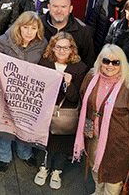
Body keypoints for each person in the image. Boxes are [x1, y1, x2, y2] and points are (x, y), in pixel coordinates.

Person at [73, 45, 129, 195]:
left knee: (114, 177)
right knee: (94, 166)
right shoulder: (91, 77)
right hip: (93, 135)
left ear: (122, 63)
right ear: (100, 61)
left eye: (116, 62)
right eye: (106, 61)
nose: (110, 65)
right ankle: (98, 191)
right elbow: (84, 99)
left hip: (119, 143)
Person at [0, 11, 47, 171]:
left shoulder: (43, 44)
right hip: (6, 90)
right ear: (19, 27)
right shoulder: (4, 41)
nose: (29, 32)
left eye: (34, 28)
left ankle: (25, 152)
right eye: (26, 27)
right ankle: (3, 156)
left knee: (26, 123)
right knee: (5, 123)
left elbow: (45, 68)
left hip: (27, 94)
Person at [34, 32, 88, 189]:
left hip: (65, 113)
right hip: (46, 110)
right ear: (52, 48)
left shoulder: (80, 68)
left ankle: (57, 171)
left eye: (66, 47)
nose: (62, 51)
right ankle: (43, 168)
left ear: (72, 49)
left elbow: (74, 98)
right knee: (46, 141)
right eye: (58, 47)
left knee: (62, 143)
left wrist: (69, 84)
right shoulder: (44, 62)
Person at [41, 0, 94, 64]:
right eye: (55, 6)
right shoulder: (37, 25)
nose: (59, 11)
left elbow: (88, 62)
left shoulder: (83, 30)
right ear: (49, 7)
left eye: (63, 7)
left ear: (70, 9)